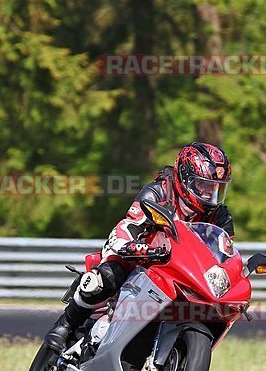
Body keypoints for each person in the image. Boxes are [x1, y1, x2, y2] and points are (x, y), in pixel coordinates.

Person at [44, 142, 234, 351]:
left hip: (181, 270)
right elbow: (129, 226)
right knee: (107, 276)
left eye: (217, 188)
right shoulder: (158, 192)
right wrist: (131, 247)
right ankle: (65, 324)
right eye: (204, 186)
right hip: (142, 256)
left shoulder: (220, 216)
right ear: (186, 179)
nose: (211, 194)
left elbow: (223, 251)